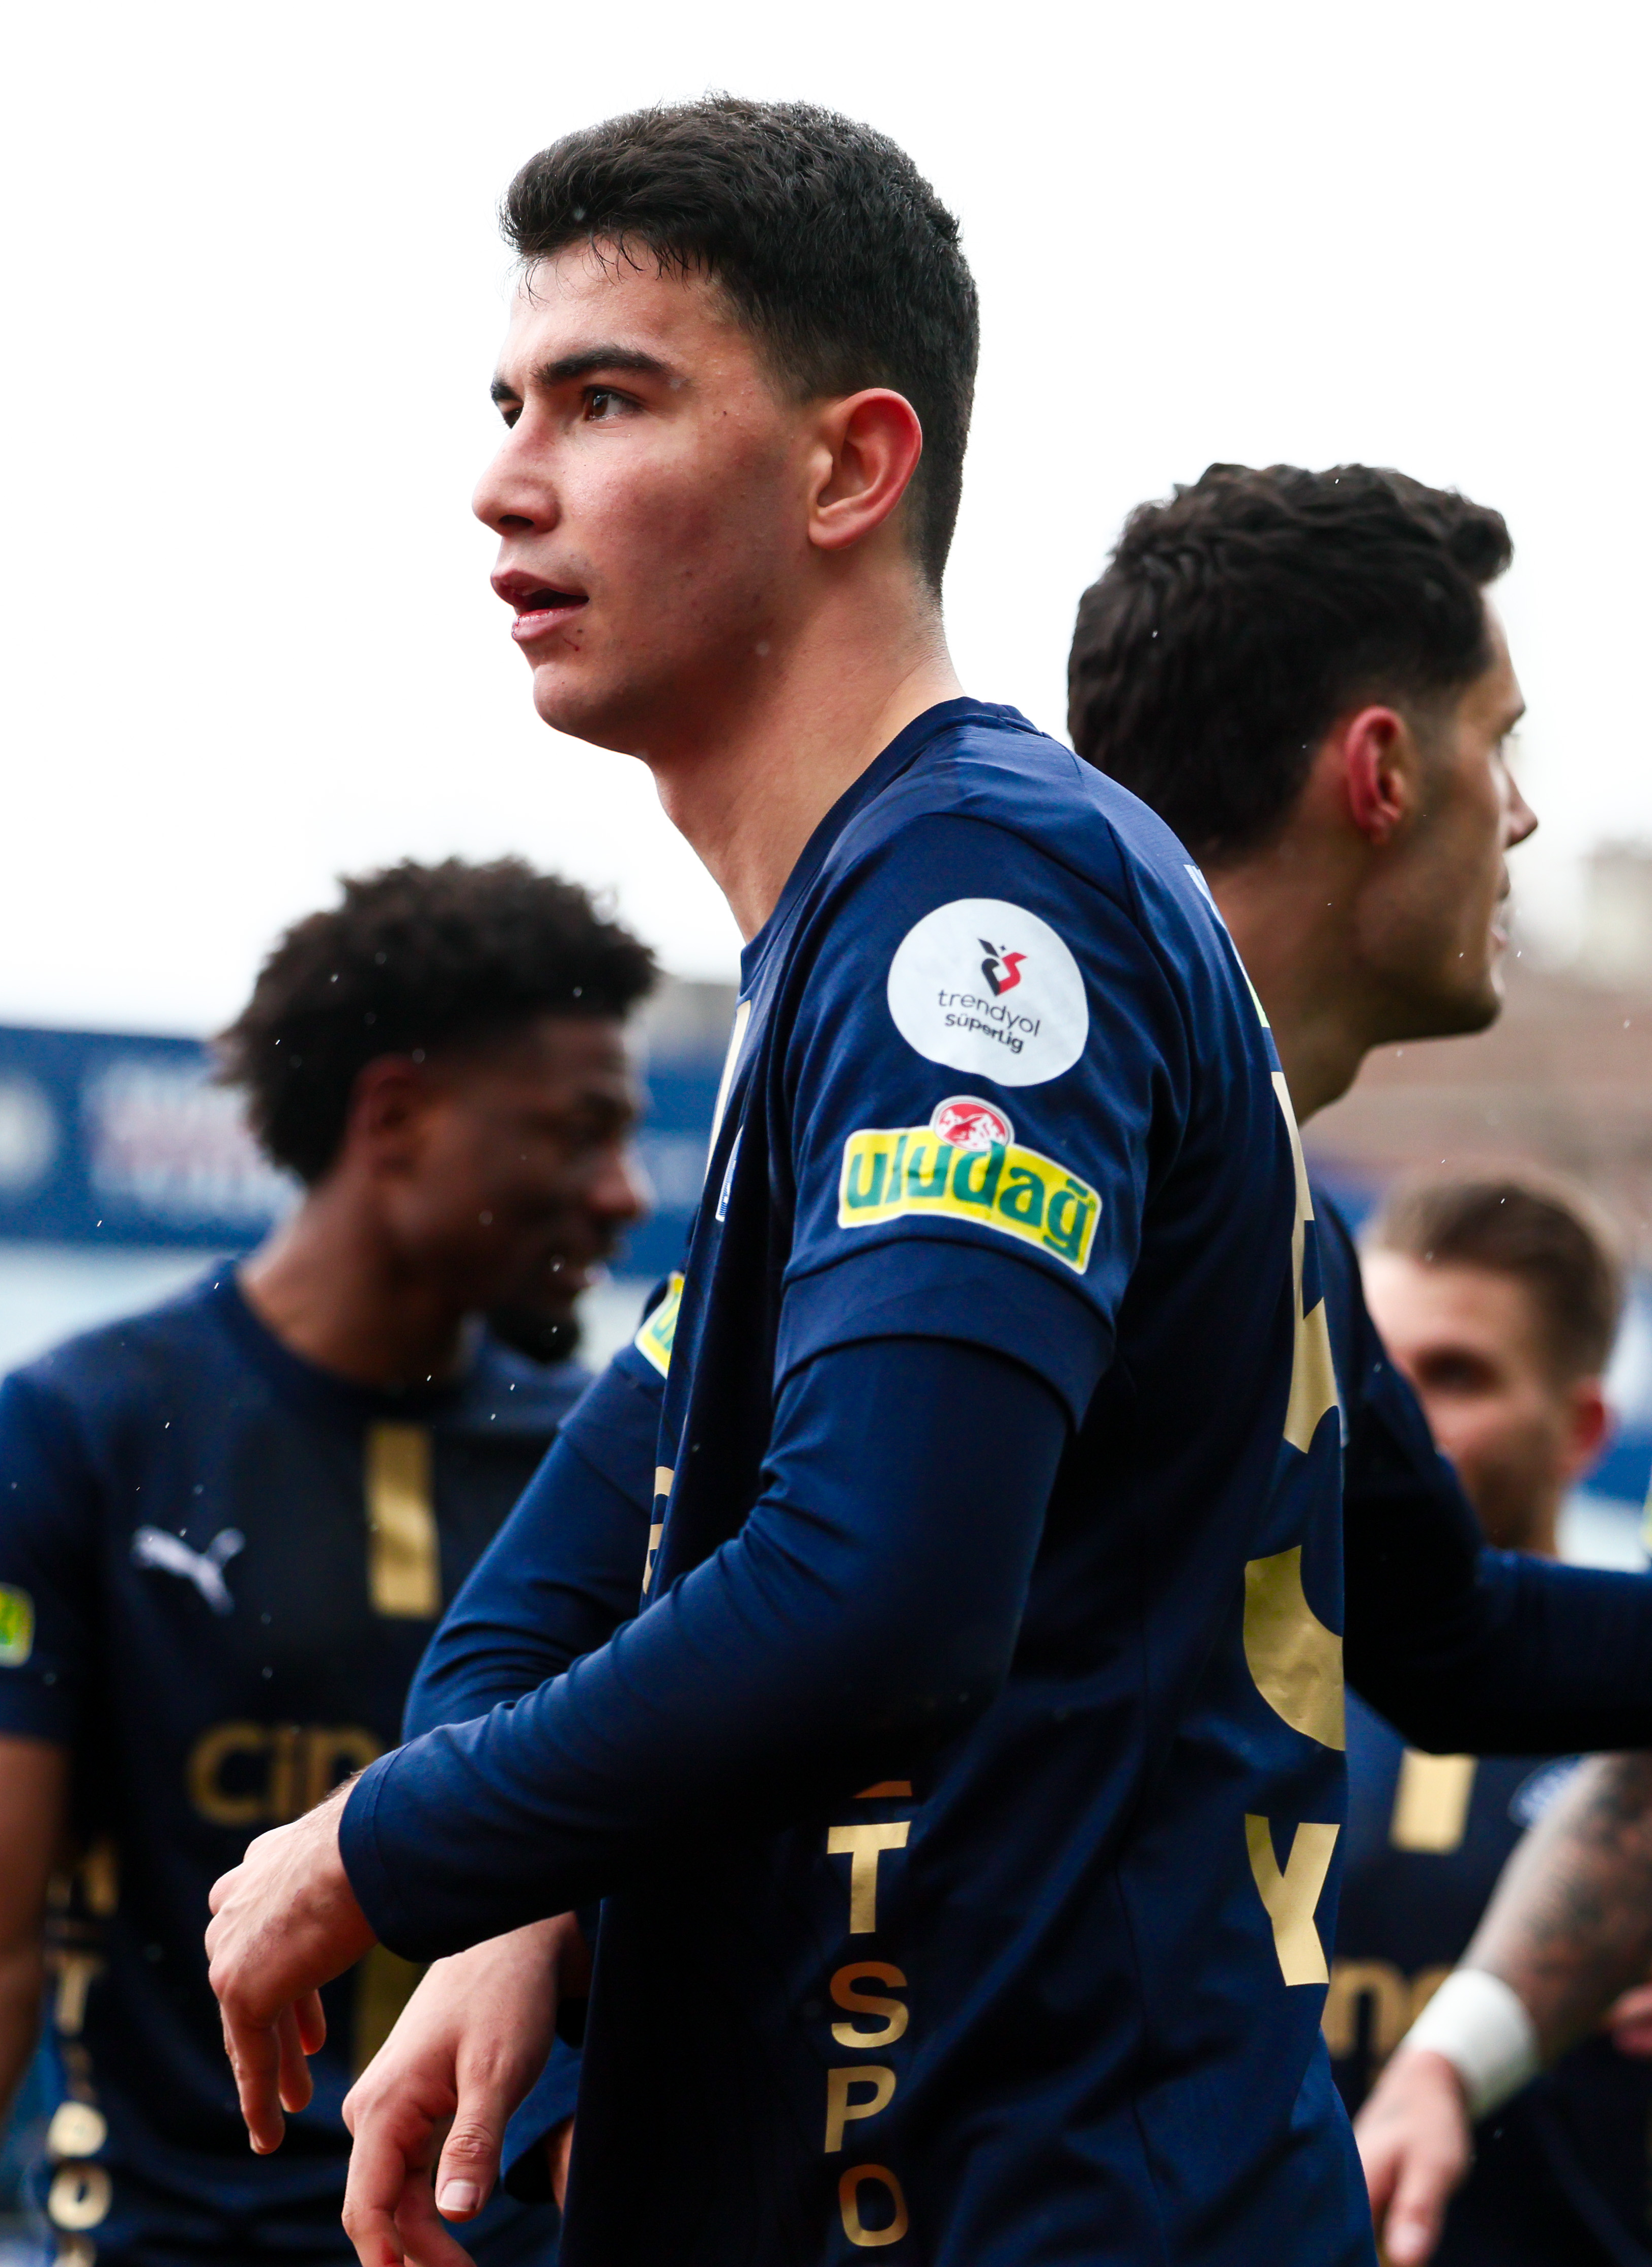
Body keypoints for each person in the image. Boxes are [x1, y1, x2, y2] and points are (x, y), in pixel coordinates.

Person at [202, 111, 1652, 2266]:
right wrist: (495, 1877)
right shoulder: (879, 932)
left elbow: (880, 1589)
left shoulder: (973, 908)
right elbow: (551, 1584)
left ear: (847, 467)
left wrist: (379, 1851)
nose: (506, 479)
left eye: (604, 400)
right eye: (508, 407)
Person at [0, 857, 654, 2267]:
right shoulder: (83, 1431)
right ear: (397, 1117)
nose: (625, 1191)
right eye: (580, 1133)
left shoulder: (604, 1465)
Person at [1327, 1173, 1649, 2264]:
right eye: (1373, 1373)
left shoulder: (1630, 1715)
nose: (1394, 1421)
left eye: (1456, 1375)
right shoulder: (1232, 1699)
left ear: (1581, 1429)